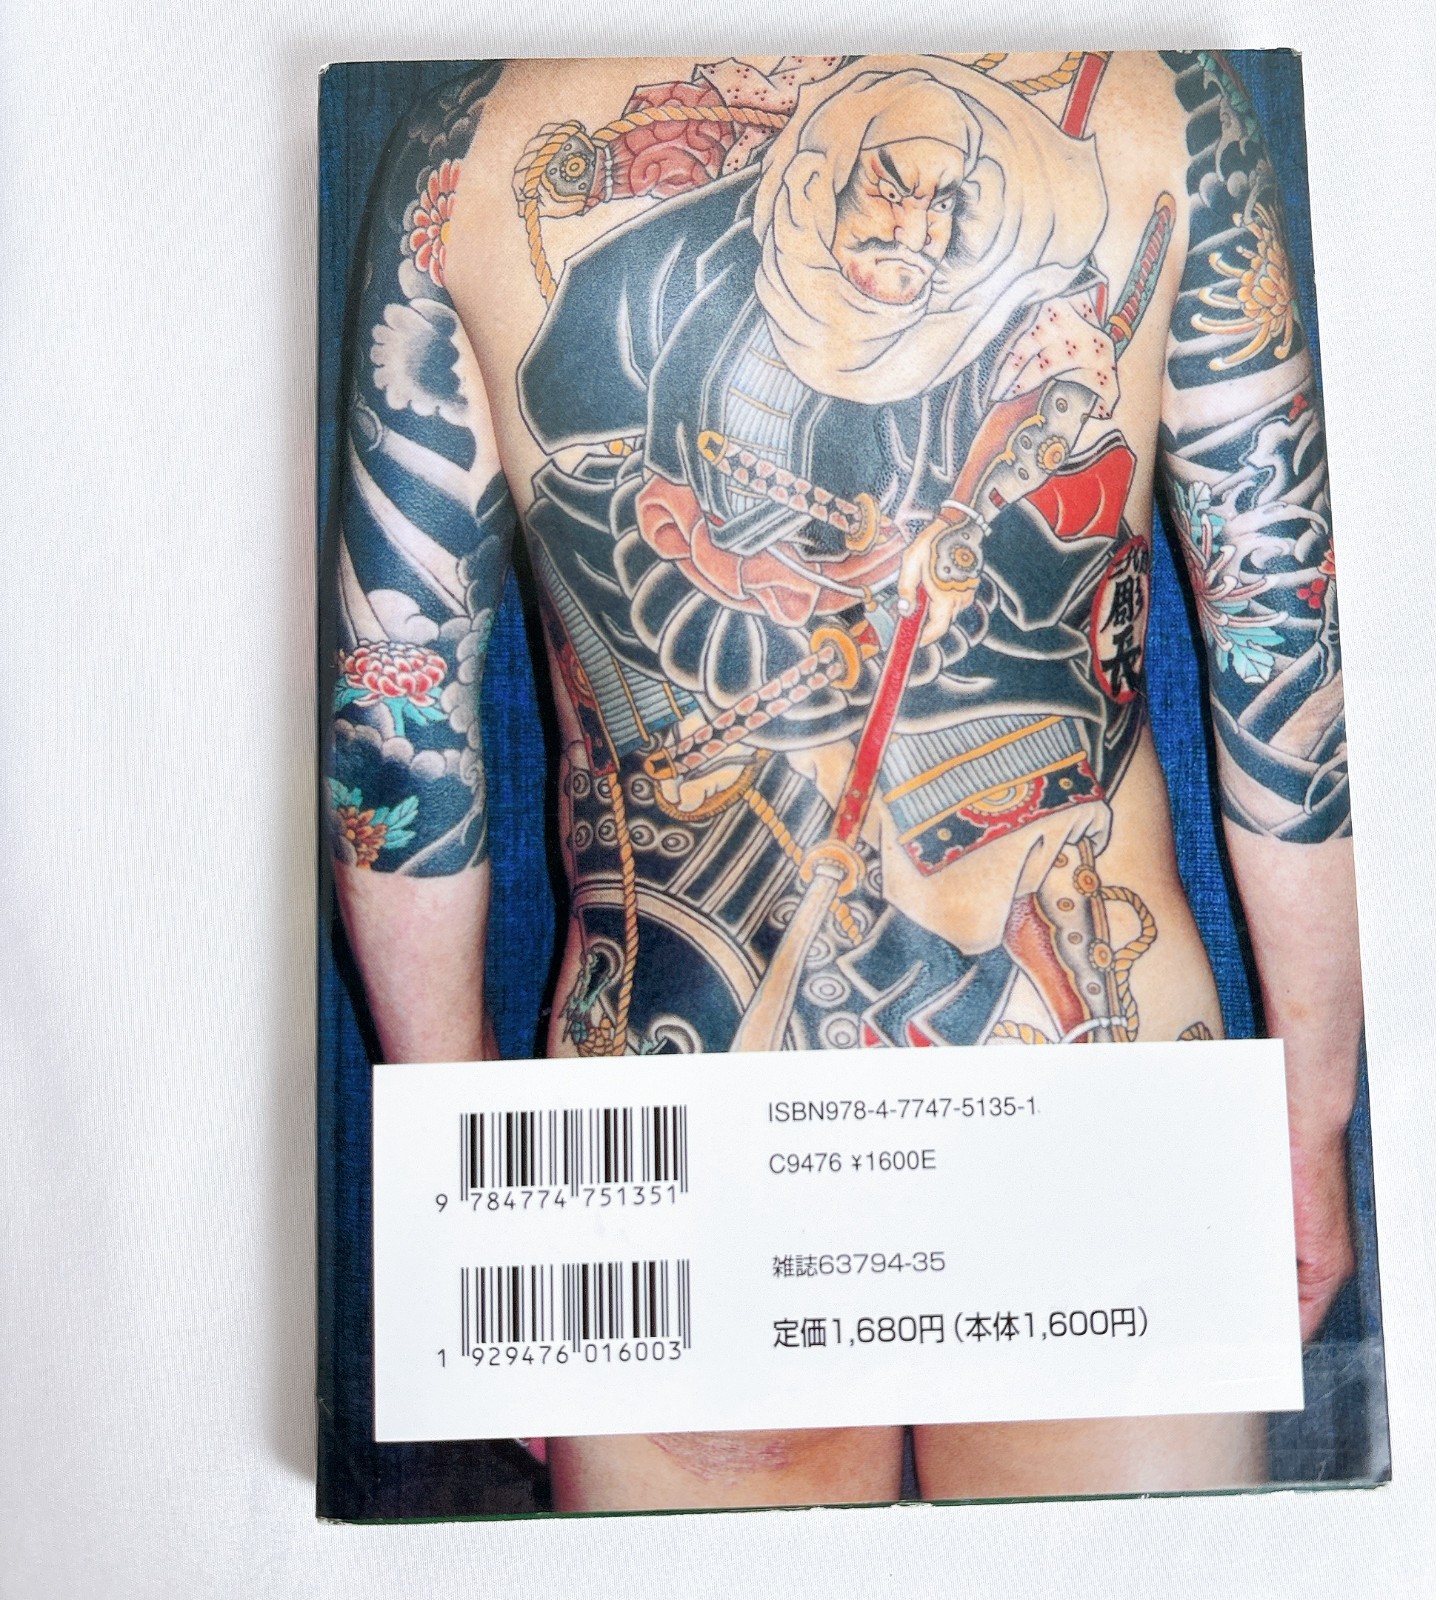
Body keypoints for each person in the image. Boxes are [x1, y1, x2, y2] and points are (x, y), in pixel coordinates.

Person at [325, 51, 1363, 1510]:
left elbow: (394, 719)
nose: (914, 237)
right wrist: (1312, 1117)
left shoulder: (473, 132)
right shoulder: (1161, 93)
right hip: (1070, 1105)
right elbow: (1282, 641)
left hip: (713, 1120)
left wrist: (475, 1205)